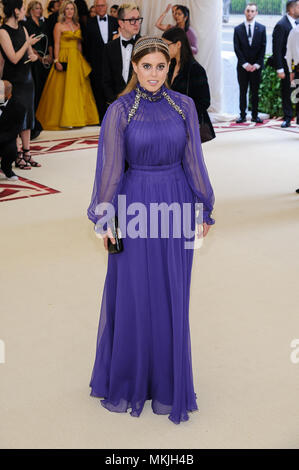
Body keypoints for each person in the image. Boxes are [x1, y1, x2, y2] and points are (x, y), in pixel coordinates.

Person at [87, 36, 215, 425]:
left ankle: (167, 379)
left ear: (170, 68)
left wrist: (204, 205)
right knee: (134, 292)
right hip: (136, 204)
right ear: (135, 68)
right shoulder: (119, 110)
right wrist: (104, 216)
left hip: (176, 205)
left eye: (161, 66)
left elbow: (194, 159)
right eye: (146, 67)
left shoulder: (185, 106)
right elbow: (109, 170)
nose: (154, 74)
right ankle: (131, 378)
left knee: (172, 291)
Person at [36, 1, 99, 130]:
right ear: (63, 11)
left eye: (72, 9)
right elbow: (57, 43)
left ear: (74, 11)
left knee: (78, 89)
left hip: (77, 58)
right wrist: (56, 60)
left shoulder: (78, 25)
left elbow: (79, 44)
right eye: (67, 9)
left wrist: (82, 59)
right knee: (62, 90)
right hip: (64, 56)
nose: (70, 11)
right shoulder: (58, 25)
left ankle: (79, 118)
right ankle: (64, 119)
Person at [0, 0, 42, 169]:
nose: (25, 11)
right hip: (14, 80)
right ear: (16, 11)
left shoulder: (23, 29)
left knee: (29, 116)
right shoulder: (3, 32)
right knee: (17, 118)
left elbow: (30, 54)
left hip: (27, 79)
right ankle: (16, 155)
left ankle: (27, 152)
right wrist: (27, 44)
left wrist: (34, 56)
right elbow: (14, 58)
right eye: (23, 8)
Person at [162, 27, 215, 143]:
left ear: (178, 44)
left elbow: (204, 101)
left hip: (188, 127)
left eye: (166, 45)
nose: (164, 49)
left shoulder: (195, 69)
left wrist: (181, 112)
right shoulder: (170, 66)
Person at [84, 0, 118, 122]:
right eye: (97, 6)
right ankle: (101, 118)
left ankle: (113, 117)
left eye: (102, 5)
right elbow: (86, 44)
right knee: (97, 89)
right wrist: (90, 61)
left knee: (112, 88)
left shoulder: (115, 21)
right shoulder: (89, 23)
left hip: (112, 62)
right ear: (95, 7)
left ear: (106, 6)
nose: (100, 7)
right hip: (96, 62)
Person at [102, 2, 142, 105]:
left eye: (138, 19)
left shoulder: (144, 46)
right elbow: (106, 80)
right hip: (116, 105)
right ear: (121, 23)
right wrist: (114, 103)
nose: (137, 23)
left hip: (141, 105)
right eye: (132, 20)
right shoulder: (109, 47)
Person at [233, 2, 266, 124]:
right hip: (243, 67)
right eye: (248, 11)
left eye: (252, 11)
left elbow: (263, 48)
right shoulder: (237, 29)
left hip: (256, 68)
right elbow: (237, 48)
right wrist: (245, 64)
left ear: (256, 13)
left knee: (255, 91)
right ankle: (242, 115)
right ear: (244, 12)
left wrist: (257, 64)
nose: (250, 13)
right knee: (243, 91)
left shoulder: (262, 29)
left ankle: (255, 115)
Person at [268, 0, 299, 127]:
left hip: (296, 66)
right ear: (291, 9)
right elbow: (277, 49)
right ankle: (287, 117)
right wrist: (280, 68)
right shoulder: (281, 25)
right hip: (286, 66)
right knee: (287, 91)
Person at [24, 1, 52, 139]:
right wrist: (40, 58)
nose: (39, 10)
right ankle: (33, 121)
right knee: (35, 89)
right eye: (36, 8)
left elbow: (49, 40)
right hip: (34, 60)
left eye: (40, 8)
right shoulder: (26, 24)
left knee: (43, 90)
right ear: (30, 10)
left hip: (45, 60)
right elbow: (29, 44)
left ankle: (40, 118)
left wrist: (49, 56)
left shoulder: (44, 23)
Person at [0, 79, 26, 180]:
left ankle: (6, 168)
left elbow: (14, 131)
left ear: (8, 95)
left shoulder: (19, 107)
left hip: (5, 138)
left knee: (11, 151)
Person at [286, 23, 299, 124]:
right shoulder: (294, 31)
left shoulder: (293, 31)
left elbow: (289, 54)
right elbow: (289, 54)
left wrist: (291, 70)